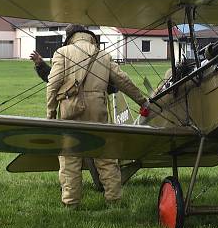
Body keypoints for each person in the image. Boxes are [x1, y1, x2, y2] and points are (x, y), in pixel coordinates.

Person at [46, 24, 147, 207]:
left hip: (71, 111)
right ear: (90, 36)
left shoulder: (62, 52)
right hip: (98, 110)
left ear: (70, 37)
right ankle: (114, 200)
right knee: (106, 157)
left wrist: (51, 113)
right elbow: (124, 81)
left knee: (70, 159)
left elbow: (52, 85)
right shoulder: (103, 55)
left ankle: (71, 203)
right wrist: (143, 102)